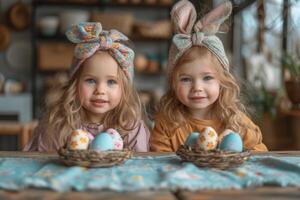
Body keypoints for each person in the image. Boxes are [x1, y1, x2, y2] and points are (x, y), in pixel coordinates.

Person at [150, 0, 267, 152]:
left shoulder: (234, 120)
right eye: (186, 79)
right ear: (173, 83)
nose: (197, 88)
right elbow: (159, 160)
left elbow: (260, 152)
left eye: (207, 78)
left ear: (222, 81)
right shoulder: (167, 123)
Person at [24, 22, 150, 152]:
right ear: (75, 83)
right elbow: (42, 163)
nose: (100, 90)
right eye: (90, 80)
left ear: (125, 88)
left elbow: (140, 165)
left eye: (111, 82)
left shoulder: (131, 127)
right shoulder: (59, 125)